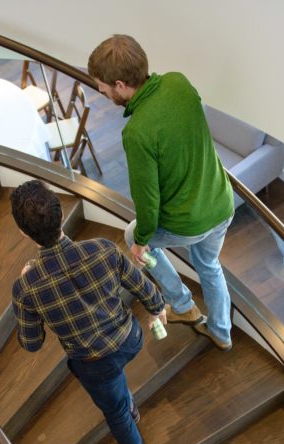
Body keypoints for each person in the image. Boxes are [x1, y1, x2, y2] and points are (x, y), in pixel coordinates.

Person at [10, 180, 167, 444]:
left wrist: (30, 293)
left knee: (117, 411)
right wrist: (158, 308)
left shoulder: (26, 287)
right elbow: (147, 291)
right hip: (130, 339)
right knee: (115, 383)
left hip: (94, 362)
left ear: (23, 233)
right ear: (61, 213)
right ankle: (128, 407)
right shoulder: (103, 249)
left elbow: (31, 343)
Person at [88, 34, 236, 351]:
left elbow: (148, 201)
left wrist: (141, 242)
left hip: (189, 221)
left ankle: (182, 305)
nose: (101, 92)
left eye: (103, 87)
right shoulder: (178, 83)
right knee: (209, 266)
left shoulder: (138, 132)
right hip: (221, 202)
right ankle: (222, 331)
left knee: (131, 236)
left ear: (120, 85)